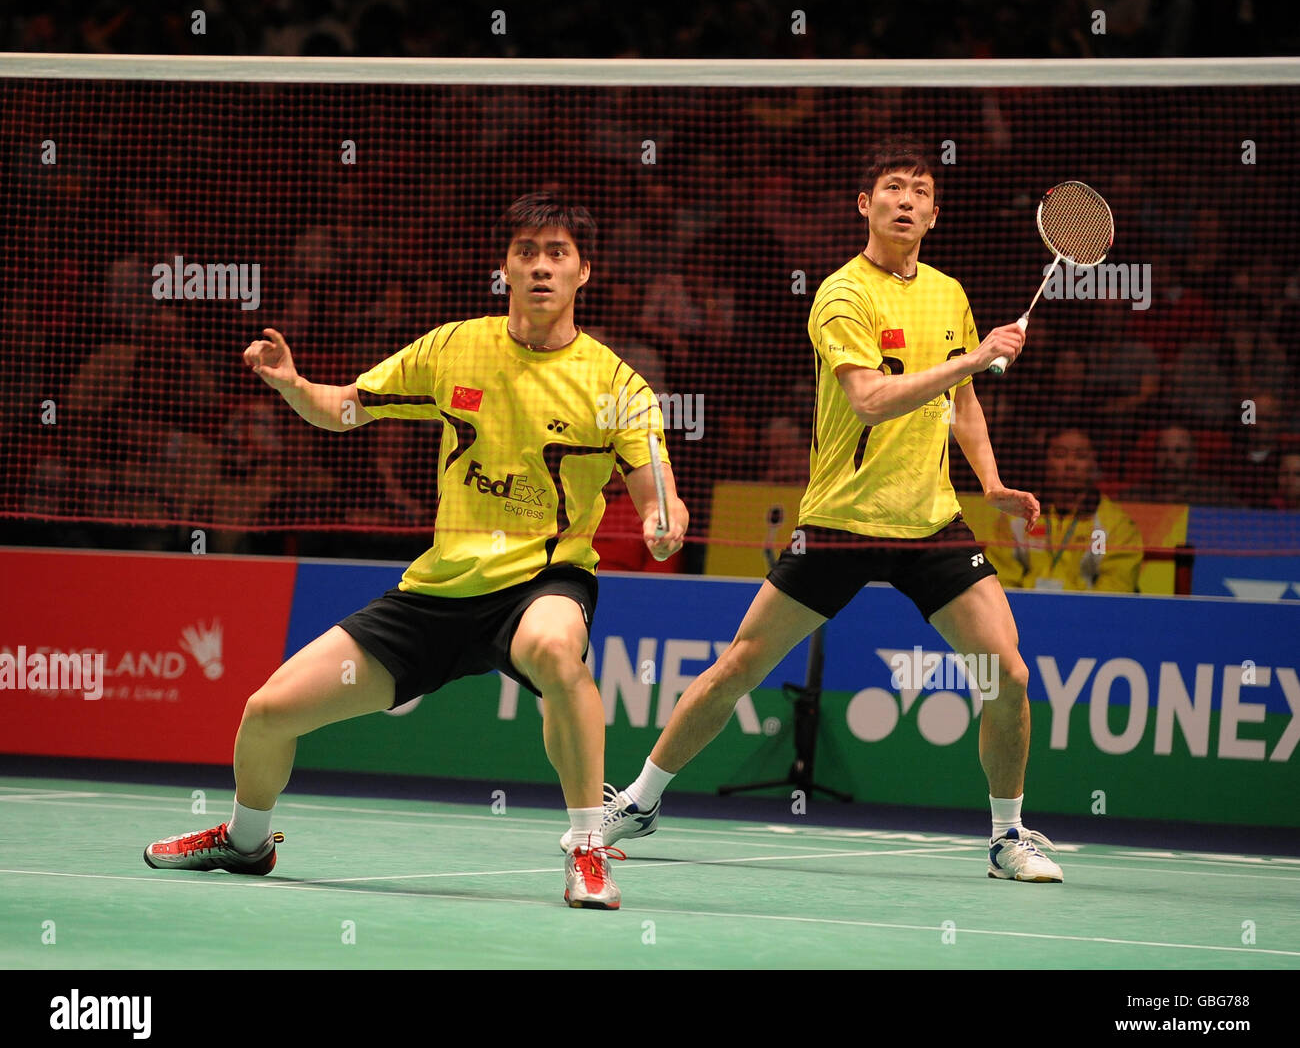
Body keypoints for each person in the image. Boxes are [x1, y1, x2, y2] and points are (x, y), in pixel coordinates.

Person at [144, 192, 688, 910]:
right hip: (435, 594)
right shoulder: (453, 347)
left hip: (542, 581)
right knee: (268, 710)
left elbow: (660, 495)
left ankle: (588, 849)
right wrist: (293, 385)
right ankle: (246, 843)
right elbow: (345, 409)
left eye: (558, 253)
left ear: (585, 272)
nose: (541, 267)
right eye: (526, 252)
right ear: (505, 268)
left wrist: (662, 520)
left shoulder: (618, 385)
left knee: (558, 651)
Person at [568, 140, 1064, 882]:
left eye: (919, 190)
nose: (905, 199)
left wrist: (988, 484)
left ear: (934, 211)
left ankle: (1006, 835)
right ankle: (640, 799)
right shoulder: (841, 294)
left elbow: (964, 404)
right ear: (865, 205)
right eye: (891, 188)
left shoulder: (949, 294)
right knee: (741, 664)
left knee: (1010, 675)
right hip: (839, 521)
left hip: (930, 523)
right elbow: (869, 399)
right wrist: (972, 357)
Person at [986, 427, 1143, 592]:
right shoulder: (1016, 516)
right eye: (1060, 455)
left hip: (1086, 614)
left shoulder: (1117, 525)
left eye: (1080, 456)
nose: (1070, 464)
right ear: (1045, 460)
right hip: (1022, 612)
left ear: (1094, 462)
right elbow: (1000, 579)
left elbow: (1115, 589)